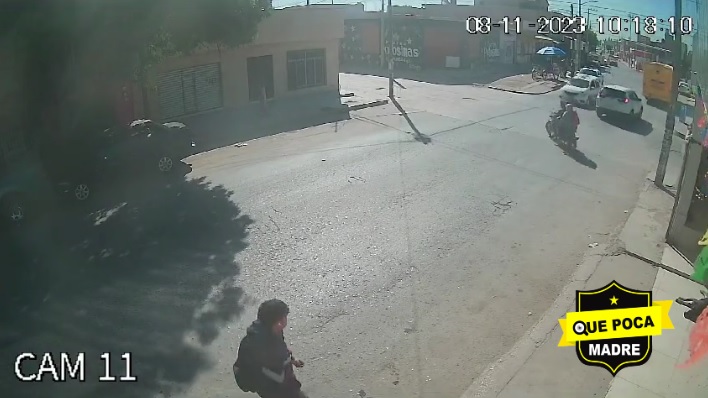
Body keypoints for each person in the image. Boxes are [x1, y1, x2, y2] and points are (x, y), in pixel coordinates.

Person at [235, 299, 307, 398]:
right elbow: (276, 374)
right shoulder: (263, 346)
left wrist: (292, 360)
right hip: (278, 390)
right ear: (280, 321)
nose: (286, 319)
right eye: (284, 317)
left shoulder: (270, 329)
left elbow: (282, 351)